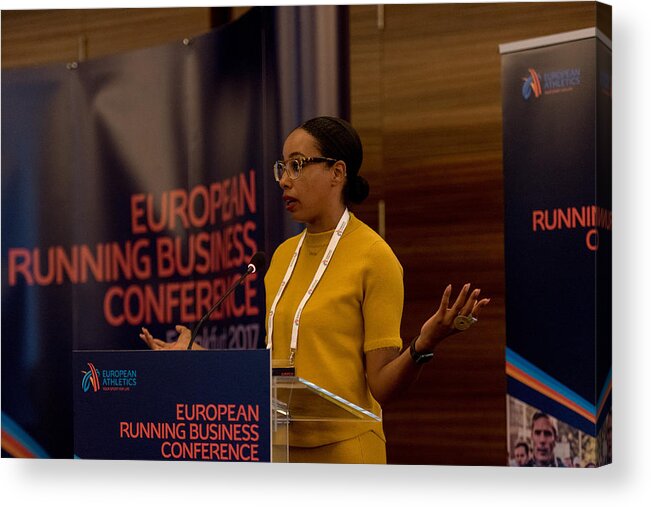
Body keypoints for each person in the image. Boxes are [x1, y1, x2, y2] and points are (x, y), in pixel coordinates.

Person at [140, 116, 490, 464]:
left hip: (347, 455)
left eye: (297, 166)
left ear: (337, 172)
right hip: (281, 451)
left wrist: (424, 345)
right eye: (282, 168)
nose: (284, 181)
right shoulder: (279, 259)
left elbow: (382, 386)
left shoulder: (375, 257)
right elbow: (278, 368)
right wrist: (198, 355)